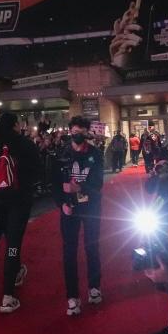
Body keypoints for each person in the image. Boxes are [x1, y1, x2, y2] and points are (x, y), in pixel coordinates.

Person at [0, 112, 42, 314]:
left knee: (6, 234)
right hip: (19, 200)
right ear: (15, 125)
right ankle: (8, 295)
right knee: (13, 245)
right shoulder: (23, 144)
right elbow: (38, 169)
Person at [54, 116, 105, 316]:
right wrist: (61, 203)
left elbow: (98, 182)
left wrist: (80, 187)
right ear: (70, 131)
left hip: (91, 207)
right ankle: (72, 296)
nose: (77, 135)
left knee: (92, 246)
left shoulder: (95, 154)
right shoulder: (61, 154)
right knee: (69, 252)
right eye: (74, 131)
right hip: (69, 209)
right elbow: (54, 182)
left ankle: (94, 287)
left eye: (81, 131)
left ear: (86, 132)